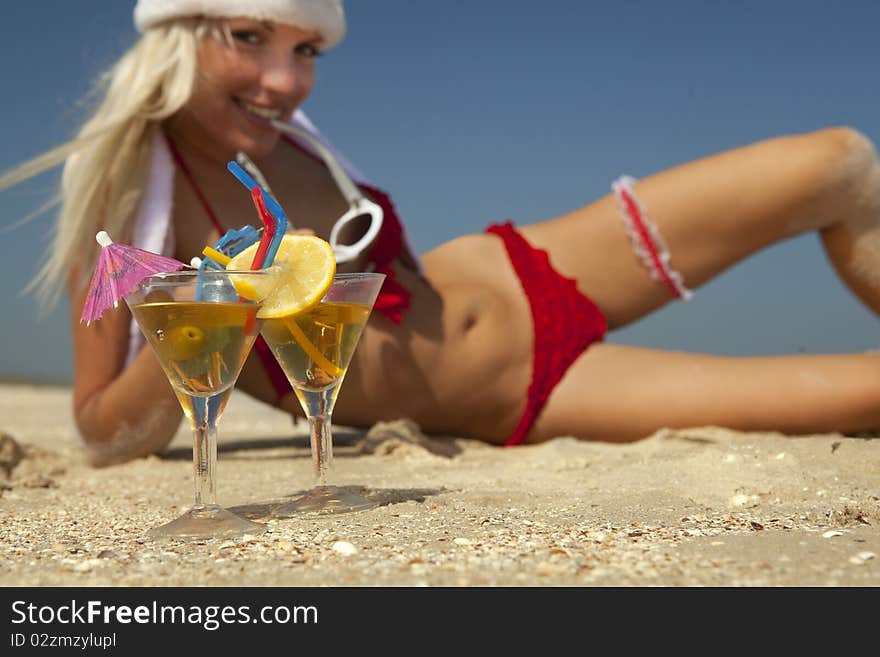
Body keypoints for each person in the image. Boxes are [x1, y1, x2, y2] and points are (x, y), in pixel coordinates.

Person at [3, 0, 880, 467]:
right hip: (532, 392)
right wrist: (210, 317)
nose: (286, 79)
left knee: (840, 162)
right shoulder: (126, 202)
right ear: (176, 35)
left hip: (527, 265)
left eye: (307, 50)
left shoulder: (290, 142)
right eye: (249, 37)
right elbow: (100, 429)